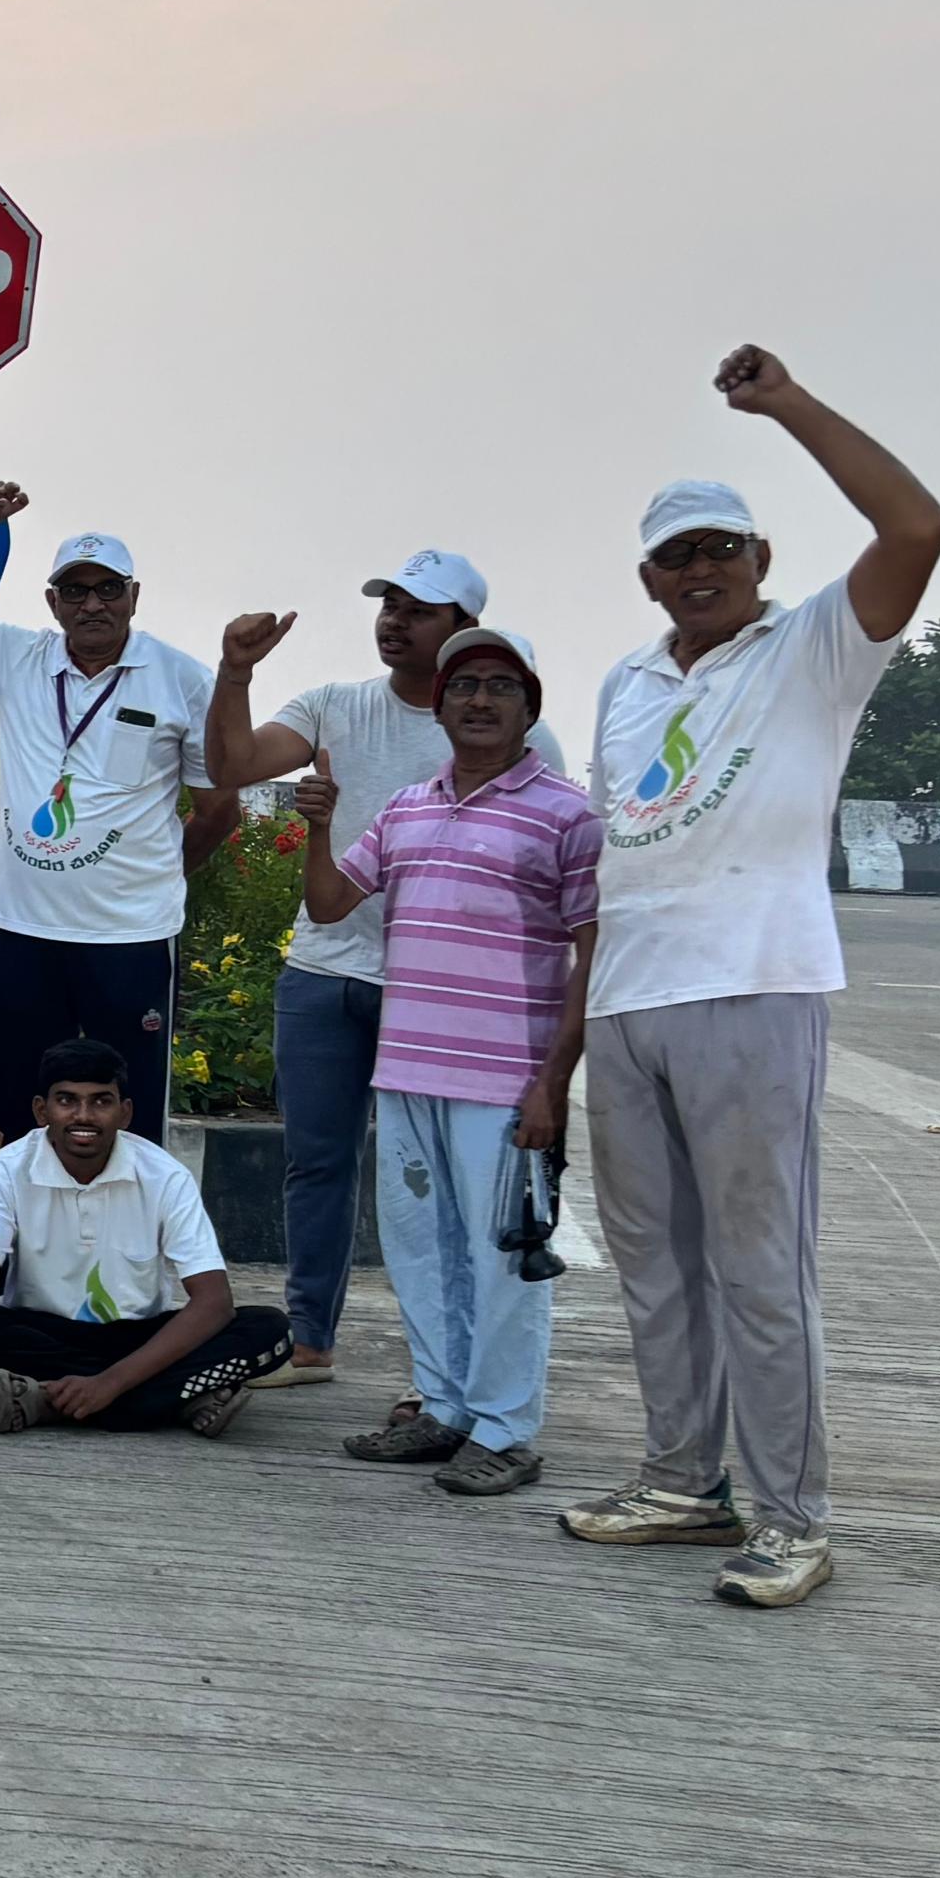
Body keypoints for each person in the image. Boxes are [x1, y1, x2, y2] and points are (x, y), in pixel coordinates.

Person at [556, 347, 940, 1610]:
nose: (699, 569)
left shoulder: (813, 647)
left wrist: (783, 407)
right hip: (629, 997)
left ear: (758, 558)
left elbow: (915, 527)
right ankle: (682, 1481)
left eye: (719, 548)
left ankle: (790, 1519)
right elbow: (620, 843)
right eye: (675, 555)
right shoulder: (624, 681)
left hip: (750, 985)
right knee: (653, 1265)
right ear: (646, 577)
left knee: (757, 1267)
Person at [204, 550, 565, 1383]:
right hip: (326, 971)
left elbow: (548, 855)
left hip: (442, 995)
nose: (395, 621)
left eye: (419, 609)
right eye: (389, 604)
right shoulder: (334, 705)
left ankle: (451, 1376)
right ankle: (309, 1340)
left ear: (465, 628)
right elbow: (232, 766)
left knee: (446, 1182)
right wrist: (235, 673)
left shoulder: (520, 733)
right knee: (317, 1165)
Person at [297, 622, 600, 1499]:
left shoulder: (568, 814)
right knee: (421, 1251)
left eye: (502, 686)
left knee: (504, 1258)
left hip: (504, 1082)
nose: (479, 700)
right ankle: (444, 1407)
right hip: (406, 1071)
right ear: (439, 706)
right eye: (464, 685)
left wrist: (553, 1084)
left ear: (530, 709)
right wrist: (318, 827)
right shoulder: (406, 807)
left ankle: (505, 1430)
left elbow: (595, 952)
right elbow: (328, 906)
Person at [0, 490, 236, 1142]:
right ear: (52, 602)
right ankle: (10, 1217)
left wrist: (156, 875)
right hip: (20, 931)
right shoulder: (16, 655)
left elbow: (218, 811)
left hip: (129, 937)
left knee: (128, 1122)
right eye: (74, 591)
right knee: (9, 1114)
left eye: (108, 589)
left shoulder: (184, 680)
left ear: (134, 596)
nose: (92, 604)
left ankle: (122, 1218)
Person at [0, 1041, 289, 1434]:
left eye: (101, 1101)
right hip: (43, 1333)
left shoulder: (164, 1174)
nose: (83, 1115)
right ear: (42, 1110)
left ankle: (48, 1401)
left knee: (270, 1330)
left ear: (125, 1113)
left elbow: (214, 1303)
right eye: (67, 1100)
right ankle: (169, 1400)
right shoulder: (7, 1167)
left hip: (139, 1336)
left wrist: (109, 1383)